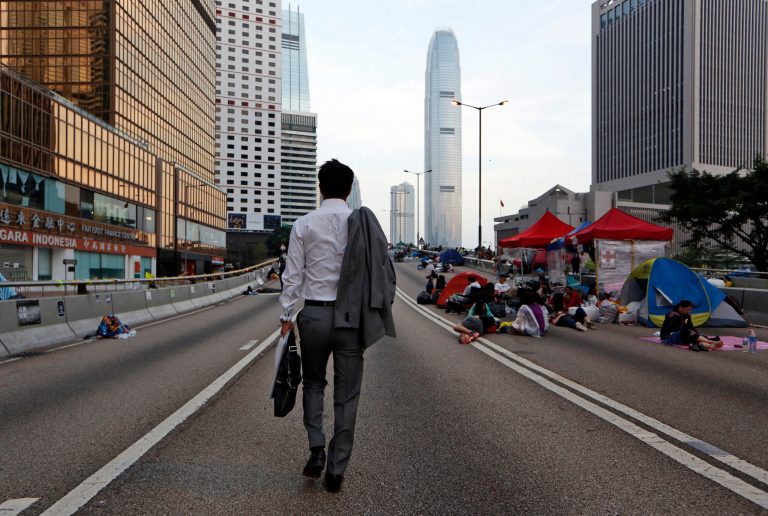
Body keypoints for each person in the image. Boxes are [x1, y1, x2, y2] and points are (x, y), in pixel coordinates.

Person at [279, 159, 396, 493]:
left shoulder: (303, 224)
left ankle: (316, 447)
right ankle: (336, 470)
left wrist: (286, 316)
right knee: (347, 397)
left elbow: (293, 276)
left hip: (313, 316)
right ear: (348, 190)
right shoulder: (360, 223)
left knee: (313, 384)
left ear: (320, 187)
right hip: (349, 320)